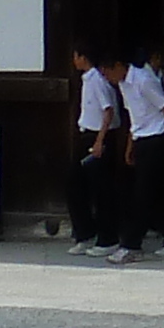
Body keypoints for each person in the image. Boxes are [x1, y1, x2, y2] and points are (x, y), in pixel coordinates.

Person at [109, 39, 164, 261]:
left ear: (118, 65)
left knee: (143, 194)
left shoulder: (143, 80)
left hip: (158, 138)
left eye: (107, 71)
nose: (107, 77)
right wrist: (130, 145)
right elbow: (134, 115)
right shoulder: (123, 84)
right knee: (157, 194)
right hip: (142, 138)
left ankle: (131, 245)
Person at [65, 36, 120, 251]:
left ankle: (108, 239)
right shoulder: (88, 79)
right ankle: (85, 233)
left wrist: (99, 141)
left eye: (75, 56)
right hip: (86, 134)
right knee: (75, 184)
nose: (73, 60)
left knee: (101, 189)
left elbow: (108, 110)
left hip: (99, 137)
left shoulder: (97, 79)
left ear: (83, 57)